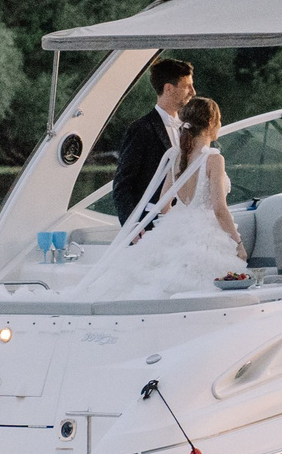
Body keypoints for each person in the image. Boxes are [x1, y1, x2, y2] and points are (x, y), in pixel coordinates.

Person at [106, 95, 247, 297]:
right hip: (206, 237)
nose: (220, 124)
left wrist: (180, 223)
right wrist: (238, 244)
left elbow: (164, 204)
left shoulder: (177, 157)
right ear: (210, 123)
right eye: (219, 119)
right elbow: (219, 209)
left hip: (176, 228)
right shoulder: (214, 158)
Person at [109, 57, 193, 222]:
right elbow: (122, 184)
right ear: (168, 88)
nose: (193, 92)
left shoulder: (189, 128)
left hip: (183, 220)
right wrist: (131, 226)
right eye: (187, 86)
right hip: (150, 222)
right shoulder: (141, 129)